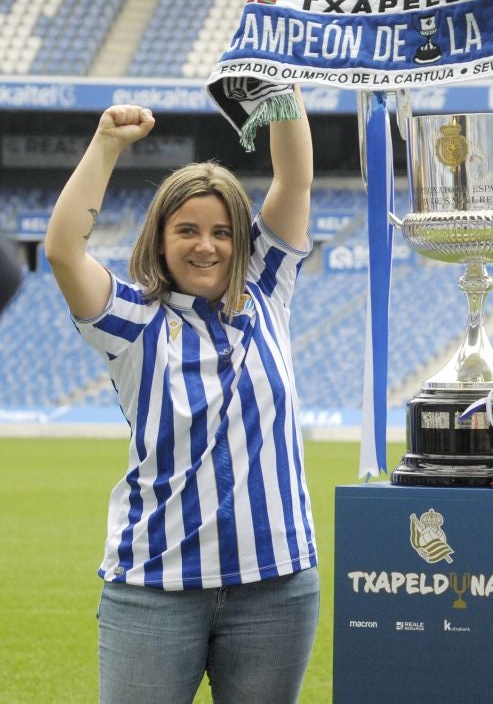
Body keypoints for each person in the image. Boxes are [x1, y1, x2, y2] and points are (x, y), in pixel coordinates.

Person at [44, 88, 319, 703]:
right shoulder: (132, 320)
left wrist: (281, 90)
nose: (207, 245)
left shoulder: (267, 291)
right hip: (155, 586)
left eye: (223, 231)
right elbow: (64, 251)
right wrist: (107, 144)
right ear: (160, 238)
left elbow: (295, 178)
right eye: (187, 229)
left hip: (276, 584)